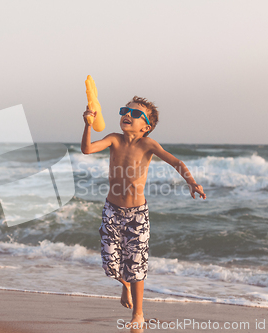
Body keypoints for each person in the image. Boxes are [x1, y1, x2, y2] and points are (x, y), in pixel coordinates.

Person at [81, 96, 206, 328]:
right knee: (110, 264)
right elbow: (87, 149)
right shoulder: (113, 139)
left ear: (146, 127)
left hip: (137, 213)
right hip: (112, 209)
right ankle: (124, 285)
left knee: (136, 264)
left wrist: (191, 182)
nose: (128, 115)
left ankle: (138, 313)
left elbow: (176, 162)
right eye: (125, 110)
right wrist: (88, 124)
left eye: (136, 114)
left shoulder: (148, 145)